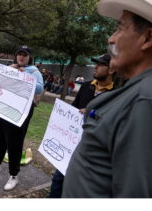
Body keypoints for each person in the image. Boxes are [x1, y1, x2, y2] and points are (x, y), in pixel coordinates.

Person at [62, 0, 152, 198]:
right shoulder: (148, 90)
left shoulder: (149, 100)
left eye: (119, 28)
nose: (111, 39)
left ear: (147, 39)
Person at [48, 53, 114, 198]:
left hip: (92, 151)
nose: (95, 67)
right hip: (71, 144)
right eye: (95, 63)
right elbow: (73, 108)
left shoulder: (115, 95)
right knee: (58, 179)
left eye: (101, 64)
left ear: (111, 69)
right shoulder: (85, 86)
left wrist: (91, 113)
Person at [0, 45, 43, 191]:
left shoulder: (34, 71)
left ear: (29, 57)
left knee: (14, 142)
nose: (21, 56)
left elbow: (39, 88)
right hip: (3, 107)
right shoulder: (9, 67)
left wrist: (25, 76)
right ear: (15, 56)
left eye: (25, 54)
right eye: (19, 54)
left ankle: (14, 175)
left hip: (20, 111)